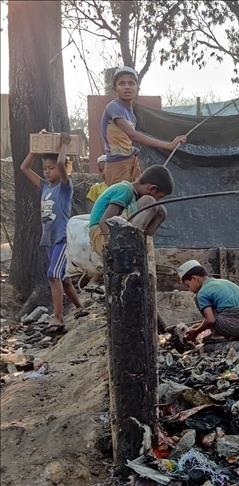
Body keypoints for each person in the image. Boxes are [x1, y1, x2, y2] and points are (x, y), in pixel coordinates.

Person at [19, 136, 87, 333]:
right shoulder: (45, 186)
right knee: (63, 279)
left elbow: (60, 162)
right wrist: (36, 147)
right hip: (49, 239)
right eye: (45, 169)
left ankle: (58, 317)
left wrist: (64, 146)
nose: (48, 171)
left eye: (51, 168)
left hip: (62, 238)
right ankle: (80, 308)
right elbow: (24, 168)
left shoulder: (65, 187)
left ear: (63, 168)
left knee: (52, 275)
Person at [101, 66, 186, 185]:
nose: (127, 87)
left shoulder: (131, 115)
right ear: (115, 88)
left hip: (132, 163)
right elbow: (133, 135)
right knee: (119, 201)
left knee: (137, 200)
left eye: (131, 83)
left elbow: (127, 141)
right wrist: (168, 145)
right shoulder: (113, 107)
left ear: (137, 88)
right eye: (122, 83)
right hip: (117, 166)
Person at [88, 165, 174, 257]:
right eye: (160, 196)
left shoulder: (134, 196)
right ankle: (128, 247)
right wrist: (114, 245)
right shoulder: (125, 189)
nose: (158, 200)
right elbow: (104, 221)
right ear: (152, 189)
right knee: (149, 202)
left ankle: (141, 247)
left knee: (161, 211)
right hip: (101, 234)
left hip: (116, 232)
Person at [179, 260, 239, 342]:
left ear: (194, 278)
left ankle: (218, 335)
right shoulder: (225, 282)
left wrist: (196, 332)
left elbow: (211, 320)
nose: (189, 290)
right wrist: (200, 326)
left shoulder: (202, 293)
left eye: (188, 285)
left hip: (233, 327)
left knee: (197, 299)